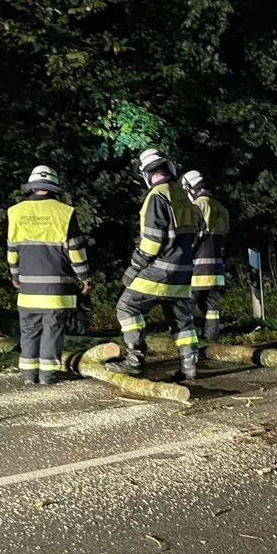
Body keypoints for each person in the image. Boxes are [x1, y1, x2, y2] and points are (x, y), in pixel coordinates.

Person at [110, 149, 198, 380]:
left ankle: (134, 361)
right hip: (183, 272)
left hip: (159, 271)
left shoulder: (156, 197)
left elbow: (151, 242)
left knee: (127, 307)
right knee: (182, 321)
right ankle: (189, 366)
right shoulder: (182, 196)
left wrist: (134, 268)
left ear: (146, 174)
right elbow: (195, 233)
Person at [6, 165, 91, 385]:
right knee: (52, 330)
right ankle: (48, 375)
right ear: (54, 187)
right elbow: (76, 251)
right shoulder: (65, 213)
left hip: (28, 287)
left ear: (32, 186)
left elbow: (12, 251)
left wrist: (15, 277)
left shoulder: (15, 212)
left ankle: (28, 375)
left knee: (29, 330)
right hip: (56, 289)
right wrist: (84, 278)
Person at [180, 169, 230, 342]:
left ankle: (188, 341)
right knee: (212, 309)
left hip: (197, 271)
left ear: (190, 188)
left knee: (186, 308)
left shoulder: (197, 207)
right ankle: (211, 338)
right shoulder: (221, 208)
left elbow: (191, 238)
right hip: (217, 270)